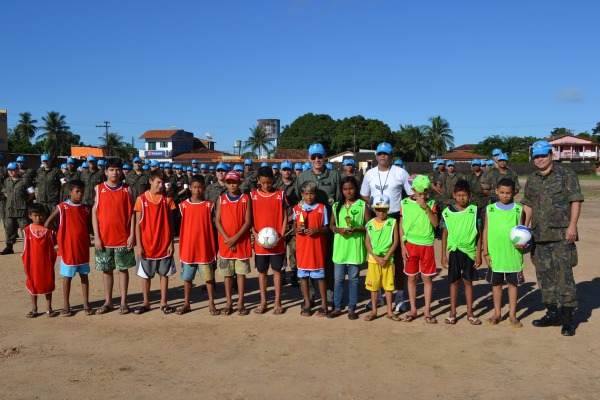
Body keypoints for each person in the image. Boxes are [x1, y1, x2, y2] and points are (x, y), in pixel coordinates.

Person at [522, 140, 583, 336]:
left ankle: (567, 320)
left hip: (561, 235)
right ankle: (552, 313)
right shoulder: (531, 179)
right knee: (544, 276)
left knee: (564, 276)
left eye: (543, 155)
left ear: (551, 155)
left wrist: (572, 226)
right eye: (537, 156)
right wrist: (524, 228)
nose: (540, 159)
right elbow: (528, 205)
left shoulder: (566, 174)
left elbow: (575, 200)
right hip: (539, 235)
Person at [360, 142, 413, 313]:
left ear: (392, 156)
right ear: (376, 156)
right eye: (380, 153)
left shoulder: (400, 172)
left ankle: (399, 297)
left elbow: (411, 194)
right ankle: (380, 297)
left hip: (395, 217)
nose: (383, 156)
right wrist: (376, 206)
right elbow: (363, 194)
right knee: (376, 258)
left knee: (396, 260)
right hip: (377, 218)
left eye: (386, 154)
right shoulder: (369, 173)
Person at [295, 143, 342, 305]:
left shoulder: (334, 176)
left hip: (326, 227)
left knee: (327, 261)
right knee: (306, 264)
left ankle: (328, 296)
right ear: (309, 158)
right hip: (307, 229)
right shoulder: (302, 176)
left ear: (324, 157)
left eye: (319, 157)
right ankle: (310, 297)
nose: (316, 160)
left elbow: (338, 202)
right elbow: (298, 199)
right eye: (313, 157)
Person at [91, 159, 136, 315]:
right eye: (111, 169)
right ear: (105, 171)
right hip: (104, 239)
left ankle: (124, 301)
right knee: (107, 271)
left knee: (123, 270)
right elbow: (94, 213)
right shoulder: (98, 189)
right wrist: (96, 237)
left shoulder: (127, 189)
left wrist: (132, 235)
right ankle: (108, 301)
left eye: (117, 169)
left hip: (123, 238)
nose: (115, 172)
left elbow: (133, 213)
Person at [45, 179, 94, 316]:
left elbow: (89, 226)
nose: (80, 194)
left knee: (84, 276)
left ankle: (86, 304)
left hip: (82, 248)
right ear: (70, 192)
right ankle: (66, 305)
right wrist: (60, 230)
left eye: (82, 191)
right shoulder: (62, 207)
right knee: (68, 277)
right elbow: (48, 223)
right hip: (68, 248)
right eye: (77, 191)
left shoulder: (86, 208)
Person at [482, 178, 525, 328]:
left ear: (514, 192)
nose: (505, 195)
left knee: (513, 285)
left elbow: (522, 231)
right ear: (496, 191)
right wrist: (485, 252)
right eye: (502, 192)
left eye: (508, 193)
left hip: (513, 256)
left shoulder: (519, 209)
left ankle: (513, 315)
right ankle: (497, 313)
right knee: (496, 284)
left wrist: (524, 244)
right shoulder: (490, 209)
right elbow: (486, 230)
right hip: (496, 255)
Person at [133, 170, 177, 314]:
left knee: (164, 274)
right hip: (147, 244)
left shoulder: (167, 200)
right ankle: (146, 302)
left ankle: (163, 302)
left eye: (163, 182)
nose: (161, 185)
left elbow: (171, 223)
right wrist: (138, 245)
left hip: (163, 244)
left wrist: (171, 242)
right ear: (151, 181)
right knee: (146, 275)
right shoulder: (141, 199)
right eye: (158, 182)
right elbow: (138, 224)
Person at [440, 179, 483, 325]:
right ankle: (453, 312)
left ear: (470, 195)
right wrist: (443, 255)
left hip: (469, 251)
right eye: (459, 195)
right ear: (454, 195)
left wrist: (479, 253)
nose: (461, 198)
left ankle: (470, 313)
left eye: (464, 195)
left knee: (468, 282)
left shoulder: (475, 210)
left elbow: (479, 233)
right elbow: (444, 234)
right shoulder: (447, 212)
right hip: (454, 250)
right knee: (454, 282)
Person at [176, 175, 218, 315]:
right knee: (187, 278)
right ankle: (186, 303)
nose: (197, 190)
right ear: (190, 188)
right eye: (194, 187)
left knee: (209, 278)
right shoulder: (183, 206)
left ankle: (211, 303)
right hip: (189, 249)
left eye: (200, 187)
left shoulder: (209, 205)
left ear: (204, 188)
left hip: (204, 248)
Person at [329, 176, 370, 320]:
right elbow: (331, 225)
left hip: (355, 246)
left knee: (354, 279)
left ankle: (352, 307)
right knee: (338, 279)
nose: (348, 192)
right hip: (340, 247)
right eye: (345, 189)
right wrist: (338, 230)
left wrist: (358, 229)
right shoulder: (336, 206)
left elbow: (369, 226)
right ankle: (337, 307)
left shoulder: (362, 205)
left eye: (351, 188)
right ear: (341, 190)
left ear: (356, 189)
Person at [399, 175, 439, 323]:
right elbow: (401, 225)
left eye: (426, 194)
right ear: (413, 190)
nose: (423, 196)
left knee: (427, 278)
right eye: (420, 194)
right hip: (410, 245)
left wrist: (426, 207)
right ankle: (413, 309)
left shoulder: (432, 203)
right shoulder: (405, 203)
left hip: (427, 245)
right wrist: (403, 246)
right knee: (412, 277)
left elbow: (435, 224)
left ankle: (427, 311)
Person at [215, 171, 253, 316]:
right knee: (227, 274)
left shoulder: (245, 198)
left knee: (241, 274)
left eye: (234, 182)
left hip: (241, 242)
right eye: (229, 182)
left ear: (239, 183)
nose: (232, 184)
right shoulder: (221, 199)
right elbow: (217, 221)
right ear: (225, 183)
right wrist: (227, 239)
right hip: (225, 243)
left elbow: (248, 222)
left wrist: (235, 238)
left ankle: (241, 302)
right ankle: (228, 302)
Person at [251, 167, 288, 315]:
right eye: (264, 182)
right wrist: (254, 233)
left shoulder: (280, 195)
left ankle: (277, 302)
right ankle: (263, 301)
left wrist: (282, 234)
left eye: (269, 182)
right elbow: (250, 218)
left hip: (277, 241)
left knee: (277, 271)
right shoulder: (253, 196)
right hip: (260, 244)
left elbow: (285, 216)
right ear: (258, 181)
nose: (267, 185)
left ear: (273, 180)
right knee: (262, 272)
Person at [294, 181, 329, 317]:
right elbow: (294, 226)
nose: (309, 197)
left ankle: (324, 304)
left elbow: (327, 228)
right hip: (303, 248)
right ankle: (307, 303)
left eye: (312, 194)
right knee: (304, 278)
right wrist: (295, 228)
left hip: (316, 249)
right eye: (306, 194)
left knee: (320, 278)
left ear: (316, 194)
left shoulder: (321, 208)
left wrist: (317, 230)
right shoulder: (297, 208)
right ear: (302, 194)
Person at [363, 194, 400, 321]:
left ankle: (390, 311)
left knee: (388, 287)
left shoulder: (392, 222)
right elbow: (367, 242)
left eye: (384, 209)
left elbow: (395, 242)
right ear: (374, 209)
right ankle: (374, 311)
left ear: (388, 209)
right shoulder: (369, 224)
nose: (381, 212)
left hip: (388, 261)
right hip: (374, 261)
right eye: (378, 209)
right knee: (373, 287)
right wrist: (376, 257)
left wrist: (386, 257)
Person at [22, 203, 56, 318]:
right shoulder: (27, 231)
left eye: (40, 215)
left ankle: (49, 307)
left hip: (46, 263)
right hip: (33, 263)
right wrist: (26, 265)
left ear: (44, 215)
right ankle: (34, 308)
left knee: (48, 283)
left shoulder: (49, 230)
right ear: (29, 216)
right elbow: (25, 250)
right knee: (33, 284)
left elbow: (53, 248)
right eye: (35, 215)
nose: (38, 218)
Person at [275, 160, 299, 287]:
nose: (287, 171)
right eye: (284, 169)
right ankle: (282, 274)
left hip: (294, 223)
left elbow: (301, 204)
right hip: (280, 225)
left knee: (294, 252)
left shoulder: (297, 185)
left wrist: (291, 217)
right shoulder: (276, 186)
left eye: (289, 169)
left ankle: (294, 275)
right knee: (281, 251)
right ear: (280, 171)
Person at [2, 162, 35, 255]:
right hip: (10, 210)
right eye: (9, 170)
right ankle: (9, 247)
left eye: (12, 170)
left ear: (17, 170)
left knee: (24, 229)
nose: (11, 172)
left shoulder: (24, 181)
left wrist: (24, 201)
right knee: (9, 229)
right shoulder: (7, 181)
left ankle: (29, 248)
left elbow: (31, 193)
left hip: (22, 211)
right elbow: (5, 191)